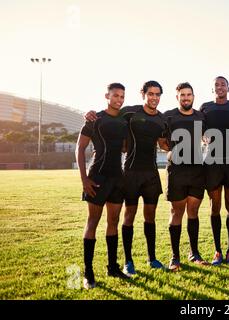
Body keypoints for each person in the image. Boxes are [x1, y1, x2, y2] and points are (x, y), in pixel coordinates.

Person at [84, 81, 169, 277]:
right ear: (143, 94)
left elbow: (164, 144)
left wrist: (182, 142)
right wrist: (89, 113)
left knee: (150, 217)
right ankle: (128, 261)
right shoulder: (129, 112)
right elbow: (107, 115)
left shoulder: (163, 120)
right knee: (128, 217)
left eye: (157, 94)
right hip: (129, 173)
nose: (154, 97)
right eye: (150, 94)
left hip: (151, 174)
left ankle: (152, 257)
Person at [76, 83, 130, 290]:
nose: (119, 99)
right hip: (97, 176)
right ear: (107, 96)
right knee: (93, 221)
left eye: (122, 96)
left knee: (113, 222)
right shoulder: (94, 118)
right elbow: (79, 149)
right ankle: (88, 273)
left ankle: (112, 267)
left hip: (118, 177)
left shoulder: (125, 120)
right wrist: (84, 179)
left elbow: (125, 146)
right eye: (115, 95)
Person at [199, 76, 229, 265]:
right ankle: (217, 251)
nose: (219, 87)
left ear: (228, 87)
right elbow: (197, 128)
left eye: (223, 84)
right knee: (214, 206)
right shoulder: (205, 107)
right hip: (212, 162)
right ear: (212, 89)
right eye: (216, 85)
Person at [164, 82, 208, 271]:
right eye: (182, 95)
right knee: (176, 212)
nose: (186, 98)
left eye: (189, 94)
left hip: (197, 170)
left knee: (193, 211)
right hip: (177, 171)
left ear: (193, 97)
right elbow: (161, 141)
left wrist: (207, 139)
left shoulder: (201, 116)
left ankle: (194, 253)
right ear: (177, 97)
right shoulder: (169, 116)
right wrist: (169, 151)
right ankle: (175, 257)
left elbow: (207, 136)